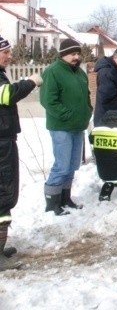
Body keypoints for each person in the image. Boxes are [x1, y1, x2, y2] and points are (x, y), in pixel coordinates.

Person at [0, 35, 42, 270]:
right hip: (0, 144)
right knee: (3, 194)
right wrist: (31, 82)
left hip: (4, 140)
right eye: (4, 52)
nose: (9, 56)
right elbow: (6, 95)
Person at [40, 38, 92, 216]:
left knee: (71, 165)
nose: (76, 57)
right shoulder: (53, 72)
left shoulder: (80, 73)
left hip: (78, 126)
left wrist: (87, 111)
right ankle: (52, 203)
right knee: (61, 166)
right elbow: (48, 101)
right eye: (72, 54)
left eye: (78, 53)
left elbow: (86, 96)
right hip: (61, 127)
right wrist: (67, 115)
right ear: (62, 55)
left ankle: (65, 198)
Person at [93, 47, 117, 127]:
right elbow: (107, 97)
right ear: (115, 58)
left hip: (112, 116)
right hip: (107, 118)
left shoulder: (115, 69)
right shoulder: (106, 72)